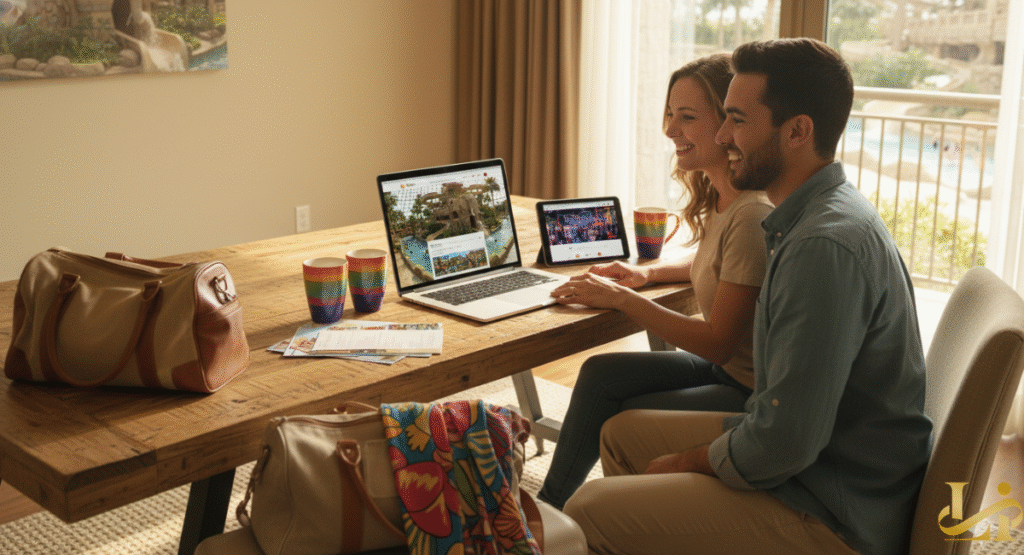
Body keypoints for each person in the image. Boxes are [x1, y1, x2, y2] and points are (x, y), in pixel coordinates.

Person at [562, 38, 933, 555]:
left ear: (798, 131)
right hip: (824, 460)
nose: (720, 135)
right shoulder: (813, 213)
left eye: (735, 119)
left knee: (587, 511)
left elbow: (784, 442)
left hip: (834, 504)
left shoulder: (821, 246)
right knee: (621, 435)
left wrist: (687, 461)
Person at [538, 54, 774, 510]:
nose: (670, 130)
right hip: (732, 371)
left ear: (728, 125)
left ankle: (610, 515)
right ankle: (550, 507)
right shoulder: (727, 198)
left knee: (625, 418)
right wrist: (647, 273)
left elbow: (718, 343)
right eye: (670, 114)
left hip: (747, 389)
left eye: (687, 117)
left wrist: (623, 298)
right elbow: (718, 265)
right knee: (601, 373)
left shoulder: (751, 214)